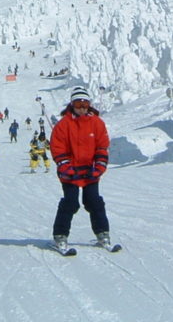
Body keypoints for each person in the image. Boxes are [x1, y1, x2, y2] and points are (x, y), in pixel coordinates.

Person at [50, 86, 112, 250]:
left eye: (85, 104)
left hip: (89, 172)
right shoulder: (64, 124)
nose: (82, 108)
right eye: (78, 103)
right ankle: (60, 235)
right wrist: (65, 167)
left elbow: (102, 146)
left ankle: (103, 233)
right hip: (70, 173)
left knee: (94, 201)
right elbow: (58, 148)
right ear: (72, 104)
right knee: (70, 202)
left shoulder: (97, 123)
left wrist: (99, 166)